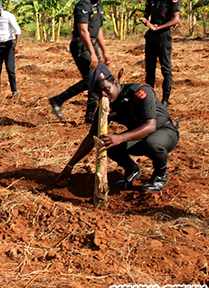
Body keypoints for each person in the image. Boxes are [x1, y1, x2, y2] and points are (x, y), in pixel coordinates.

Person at [55, 63, 179, 193]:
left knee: (152, 143)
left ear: (114, 83)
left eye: (106, 89)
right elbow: (92, 136)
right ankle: (131, 169)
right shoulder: (105, 106)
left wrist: (120, 137)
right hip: (139, 137)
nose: (103, 95)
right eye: (98, 93)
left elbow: (151, 126)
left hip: (164, 131)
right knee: (108, 143)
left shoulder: (139, 92)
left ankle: (160, 175)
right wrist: (70, 166)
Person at [49, 0, 112, 123]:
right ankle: (58, 100)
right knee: (91, 79)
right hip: (81, 45)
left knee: (97, 79)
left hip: (93, 44)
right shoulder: (83, 5)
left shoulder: (99, 5)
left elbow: (98, 29)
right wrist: (92, 54)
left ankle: (90, 116)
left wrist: (105, 51)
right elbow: (83, 31)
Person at [141, 0, 181, 108]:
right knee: (149, 68)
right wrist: (146, 21)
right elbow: (146, 15)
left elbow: (176, 19)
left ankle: (165, 100)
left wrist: (158, 28)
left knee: (165, 68)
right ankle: (150, 99)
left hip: (163, 36)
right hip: (151, 35)